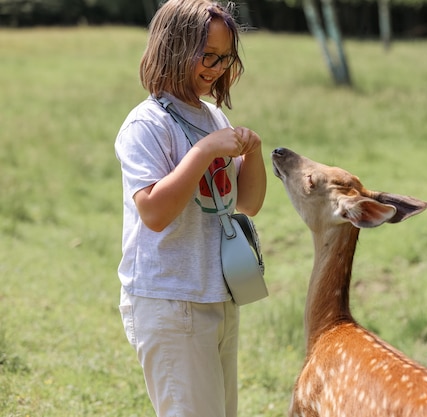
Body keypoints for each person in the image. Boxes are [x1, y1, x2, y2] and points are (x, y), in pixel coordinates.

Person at [114, 1, 266, 416]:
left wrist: (252, 153)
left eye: (226, 58)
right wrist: (202, 152)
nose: (217, 68)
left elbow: (246, 204)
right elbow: (154, 214)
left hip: (217, 293)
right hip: (170, 298)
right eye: (208, 56)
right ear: (174, 47)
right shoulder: (147, 125)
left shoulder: (213, 117)